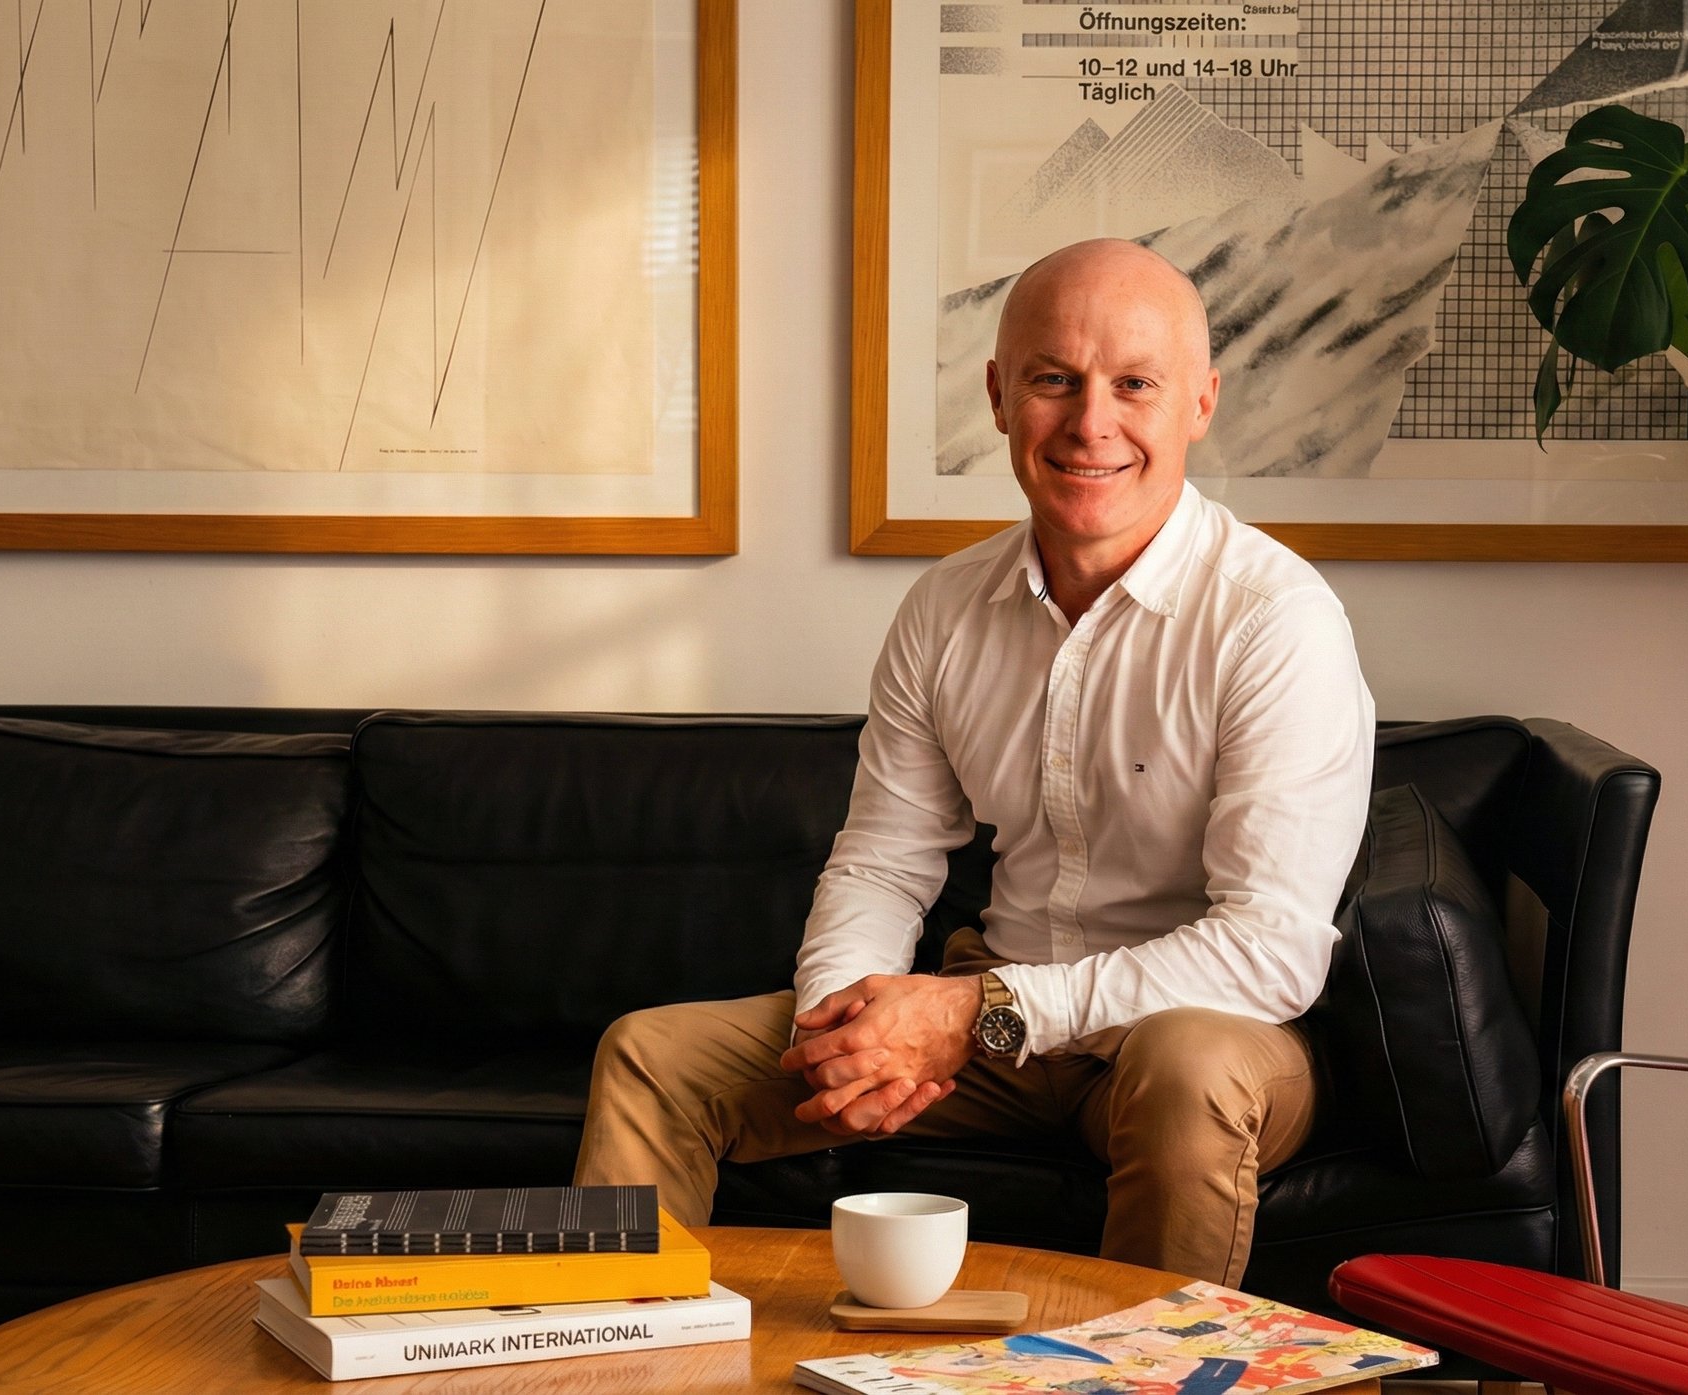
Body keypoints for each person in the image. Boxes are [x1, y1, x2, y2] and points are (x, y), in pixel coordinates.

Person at [575, 238, 1374, 1285]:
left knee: (1190, 1071)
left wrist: (979, 1012)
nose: (1091, 423)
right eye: (1055, 380)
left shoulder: (1276, 620)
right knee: (651, 1057)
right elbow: (883, 858)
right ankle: (621, 1347)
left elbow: (1269, 950)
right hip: (991, 1030)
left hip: (1196, 1031)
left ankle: (1147, 1368)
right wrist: (852, 1032)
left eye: (1134, 384)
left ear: (1200, 403)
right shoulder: (945, 608)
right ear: (1000, 396)